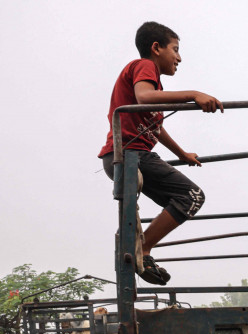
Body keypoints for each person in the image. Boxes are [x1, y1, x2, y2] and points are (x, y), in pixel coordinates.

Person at [98, 21, 223, 285]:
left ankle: (139, 246)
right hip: (131, 154)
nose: (179, 57)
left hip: (125, 156)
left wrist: (182, 153)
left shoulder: (156, 86)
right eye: (175, 49)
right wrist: (194, 94)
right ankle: (142, 248)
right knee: (192, 196)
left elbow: (155, 127)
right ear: (156, 48)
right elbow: (143, 97)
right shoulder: (144, 67)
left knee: (182, 198)